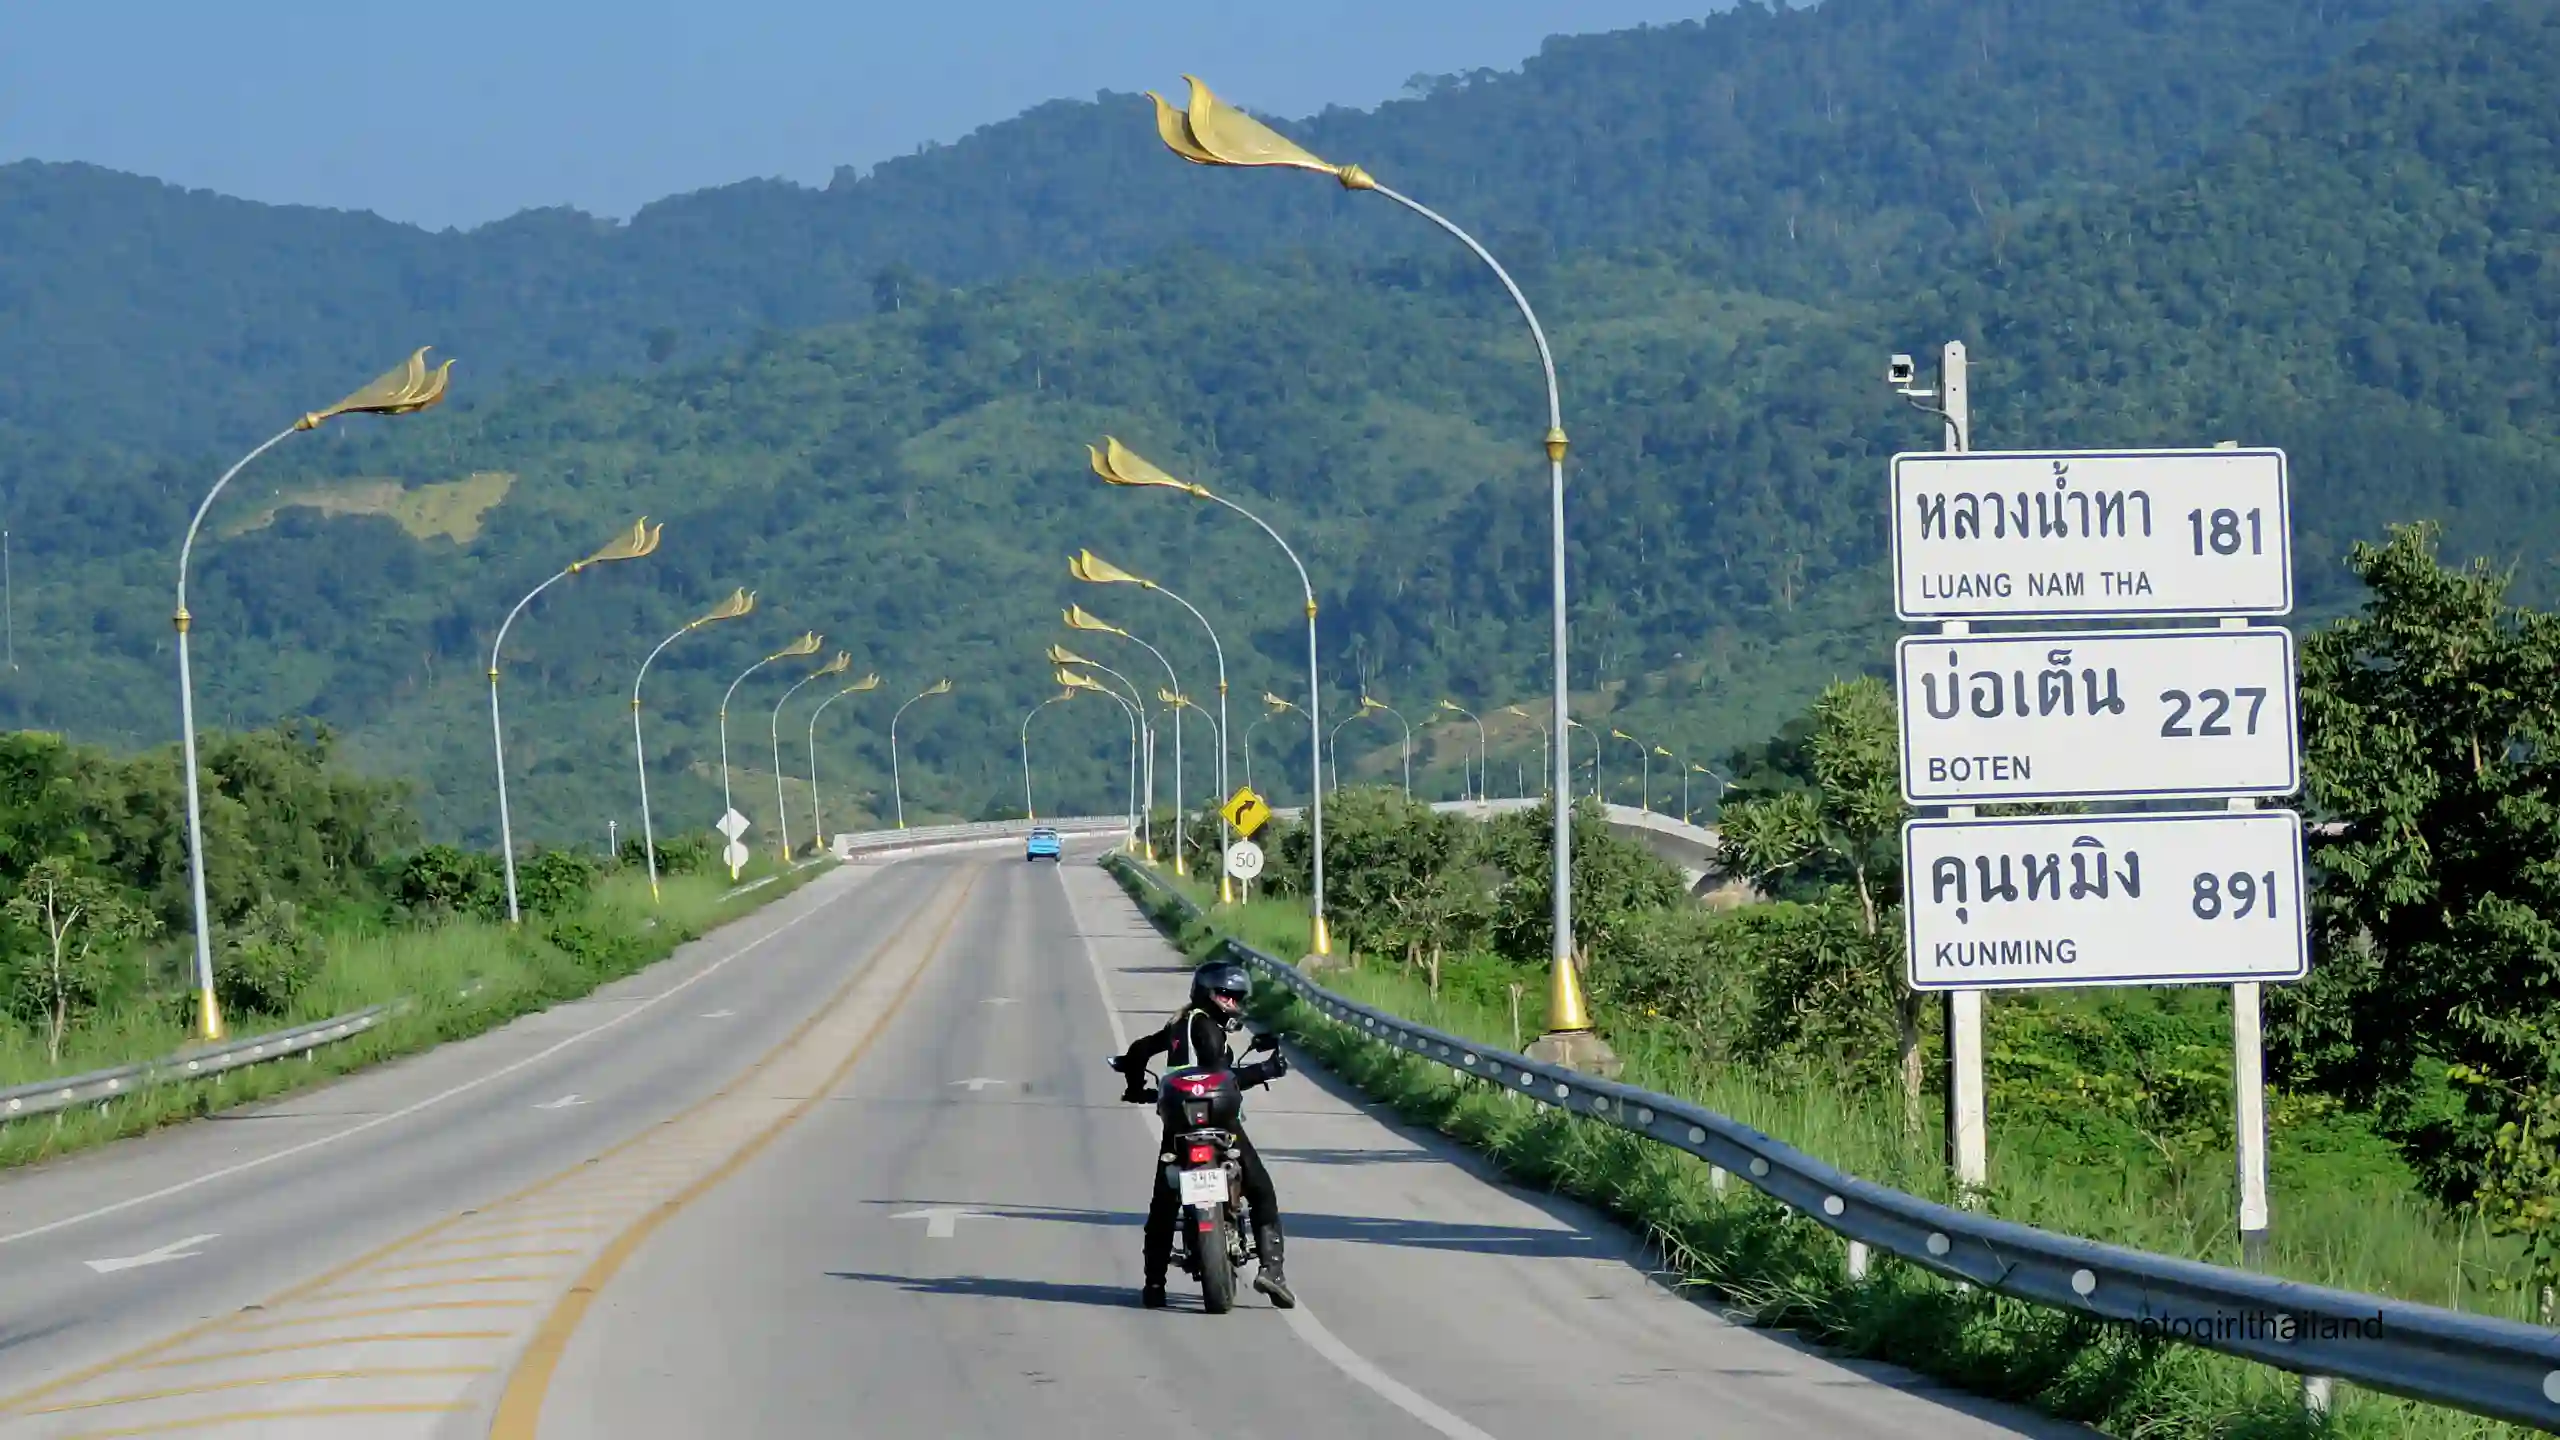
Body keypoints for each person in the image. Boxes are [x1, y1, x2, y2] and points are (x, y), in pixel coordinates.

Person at [1117, 958, 1295, 1309]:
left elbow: (1138, 1050)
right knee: (1261, 1190)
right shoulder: (1208, 1029)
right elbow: (1221, 1078)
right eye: (1225, 995)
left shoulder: (1178, 1024)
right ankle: (1272, 1271)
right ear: (1207, 993)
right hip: (1218, 1120)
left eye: (1236, 996)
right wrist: (1266, 1070)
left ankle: (1154, 1284)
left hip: (1178, 1123)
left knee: (1163, 1207)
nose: (1232, 1002)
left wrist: (1136, 1087)